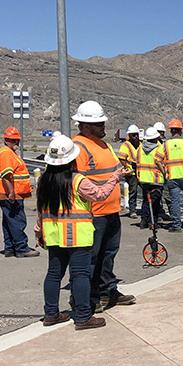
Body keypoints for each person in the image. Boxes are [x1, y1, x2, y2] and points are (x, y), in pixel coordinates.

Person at [34, 134, 124, 331]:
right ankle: (83, 316)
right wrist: (114, 178)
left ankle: (51, 314)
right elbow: (99, 195)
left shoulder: (44, 182)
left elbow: (41, 209)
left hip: (54, 235)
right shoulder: (77, 180)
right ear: (71, 159)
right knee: (81, 274)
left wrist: (38, 231)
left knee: (54, 274)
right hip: (77, 235)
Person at [71, 100, 135, 312]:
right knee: (91, 257)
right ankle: (87, 296)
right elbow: (76, 181)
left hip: (111, 210)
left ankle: (108, 291)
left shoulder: (105, 145)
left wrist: (124, 172)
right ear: (86, 126)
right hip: (92, 214)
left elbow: (113, 169)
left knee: (109, 253)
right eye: (99, 124)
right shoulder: (77, 147)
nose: (103, 128)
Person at [0, 127, 39, 258]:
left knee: (9, 221)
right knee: (17, 220)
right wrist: (11, 192)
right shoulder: (6, 153)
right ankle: (21, 248)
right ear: (6, 141)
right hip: (11, 194)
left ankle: (10, 247)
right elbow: (6, 175)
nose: (16, 143)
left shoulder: (8, 152)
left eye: (17, 140)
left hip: (8, 193)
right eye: (13, 140)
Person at [136, 127, 166, 229]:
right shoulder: (159, 149)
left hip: (143, 179)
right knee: (155, 202)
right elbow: (161, 163)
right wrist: (165, 174)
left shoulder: (140, 148)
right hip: (156, 179)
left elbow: (137, 162)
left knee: (146, 200)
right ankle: (152, 222)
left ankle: (144, 220)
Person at [117, 124, 141, 218]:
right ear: (129, 136)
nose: (136, 137)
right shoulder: (126, 145)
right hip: (132, 173)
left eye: (137, 134)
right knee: (133, 191)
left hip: (141, 171)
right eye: (133, 135)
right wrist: (127, 168)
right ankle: (133, 211)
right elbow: (122, 158)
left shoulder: (141, 144)